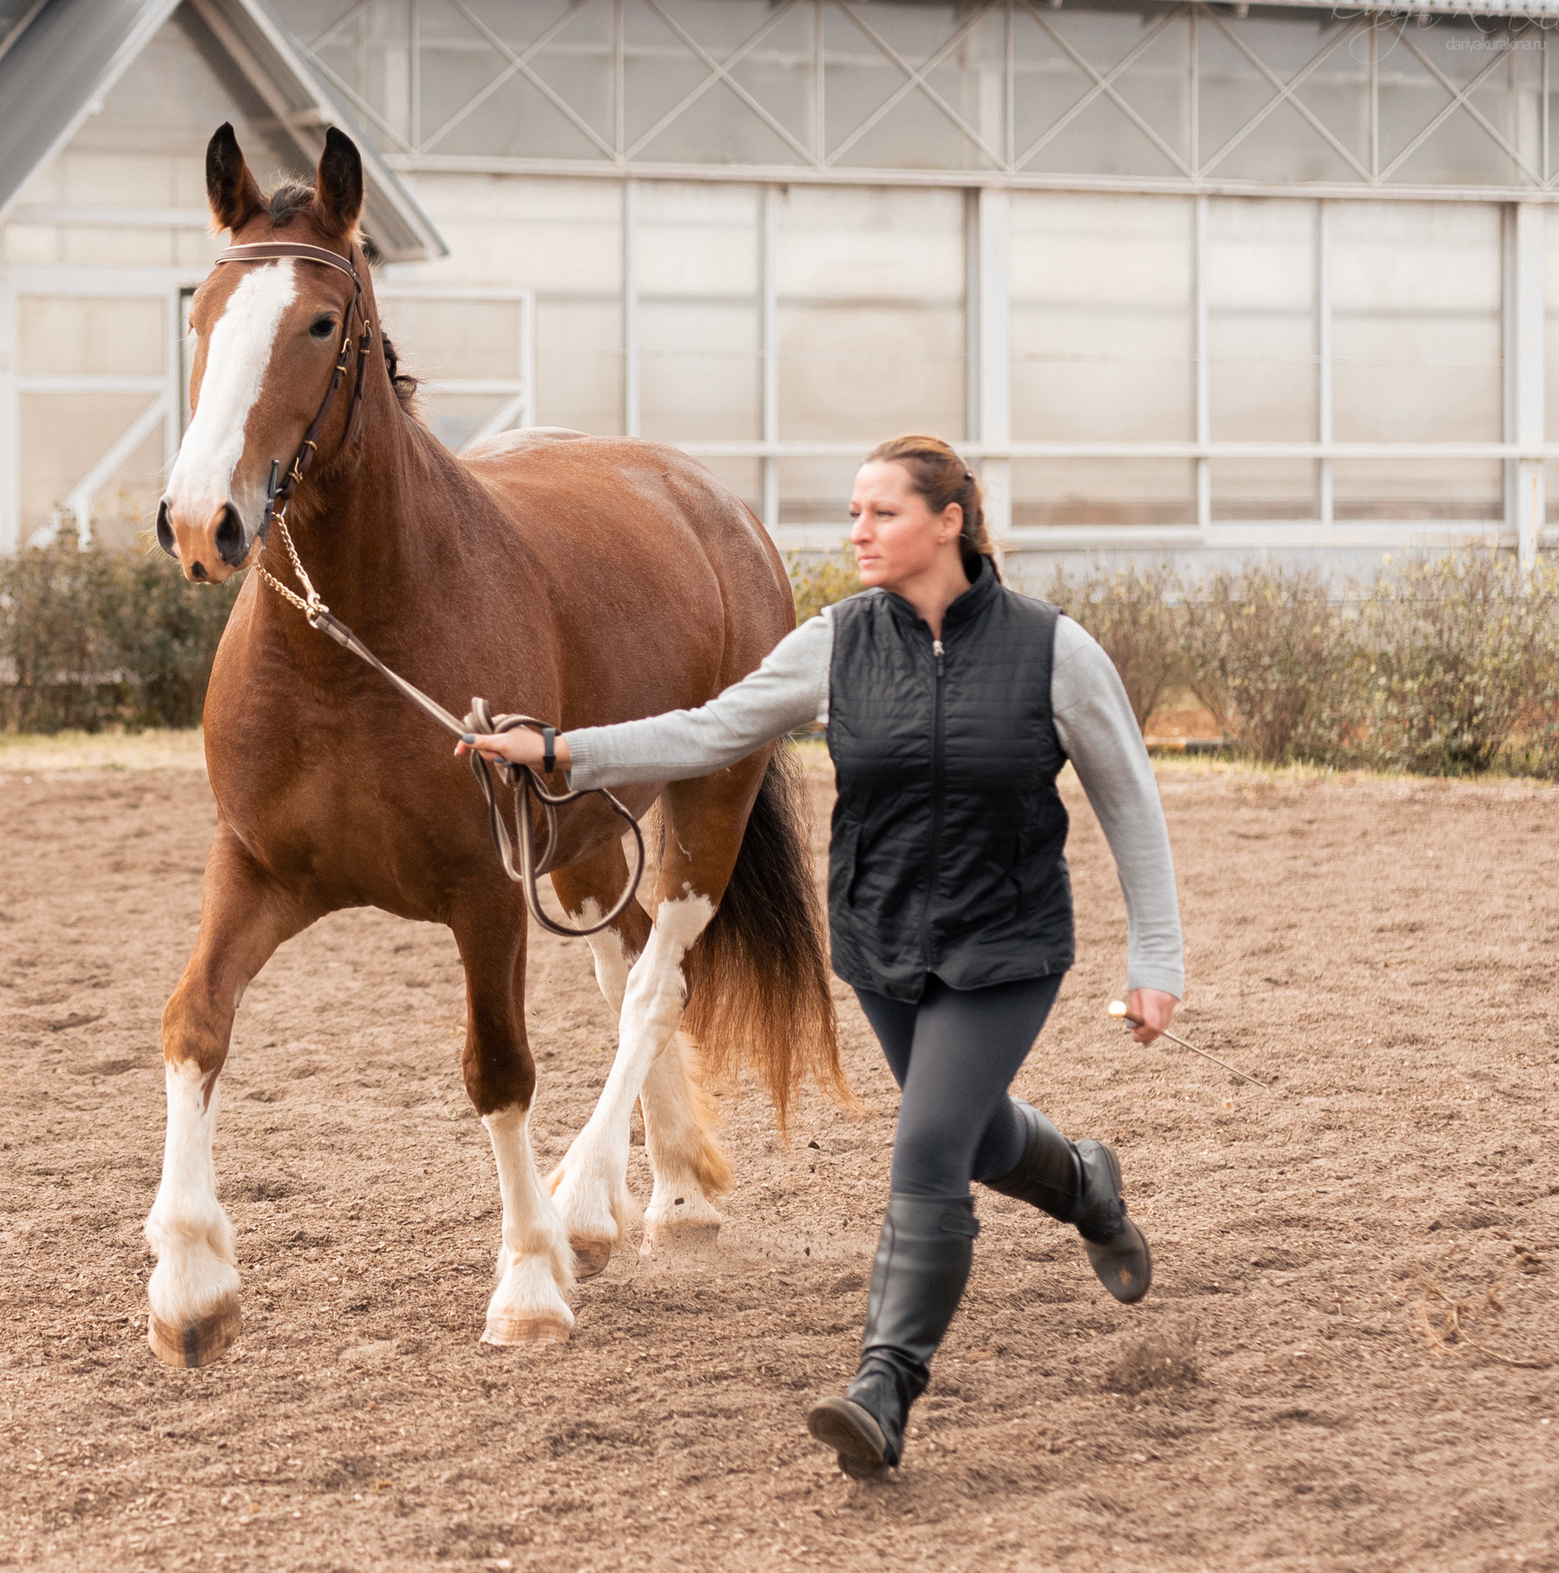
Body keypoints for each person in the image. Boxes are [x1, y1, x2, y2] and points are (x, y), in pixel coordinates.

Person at [460, 433, 1184, 1480]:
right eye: (853, 512)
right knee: (974, 1134)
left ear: (949, 522)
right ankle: (1084, 1183)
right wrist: (563, 750)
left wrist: (1153, 955)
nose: (857, 532)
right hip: (882, 944)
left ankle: (882, 1387)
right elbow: (707, 730)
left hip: (1006, 946)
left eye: (882, 513)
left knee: (929, 1147)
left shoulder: (1052, 652)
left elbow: (1129, 801)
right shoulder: (835, 642)